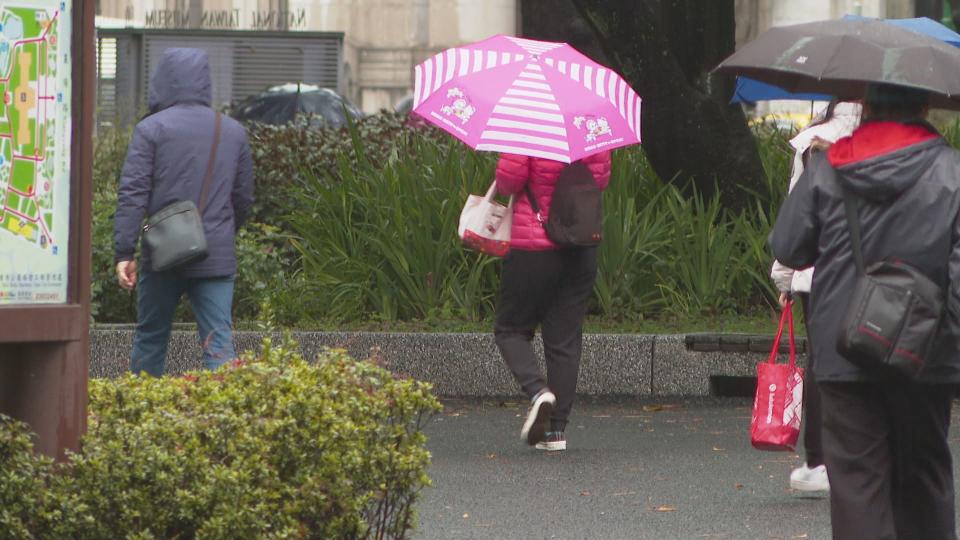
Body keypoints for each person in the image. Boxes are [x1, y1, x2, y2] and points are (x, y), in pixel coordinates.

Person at [770, 83, 960, 539]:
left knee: (856, 483)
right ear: (926, 104)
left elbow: (789, 246)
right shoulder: (952, 170)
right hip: (925, 347)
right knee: (926, 475)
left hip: (843, 346)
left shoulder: (826, 166)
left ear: (865, 104)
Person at [114, 48, 255, 377]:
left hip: (162, 252)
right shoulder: (232, 131)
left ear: (162, 81)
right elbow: (244, 197)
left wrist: (124, 251)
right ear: (205, 82)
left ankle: (139, 417)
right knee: (219, 344)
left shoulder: (150, 129)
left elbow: (133, 193)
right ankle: (230, 421)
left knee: (150, 340)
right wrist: (220, 231)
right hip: (215, 255)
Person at [770, 100, 861, 493]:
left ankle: (818, 459)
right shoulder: (881, 140)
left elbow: (796, 212)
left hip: (815, 274)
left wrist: (785, 278)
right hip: (867, 273)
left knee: (823, 363)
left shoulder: (812, 141)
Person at [493, 151, 611, 452]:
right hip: (580, 245)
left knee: (510, 329)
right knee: (564, 339)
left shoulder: (527, 121)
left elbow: (508, 182)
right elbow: (600, 180)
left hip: (533, 247)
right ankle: (556, 432)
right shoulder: (590, 122)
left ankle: (538, 391)